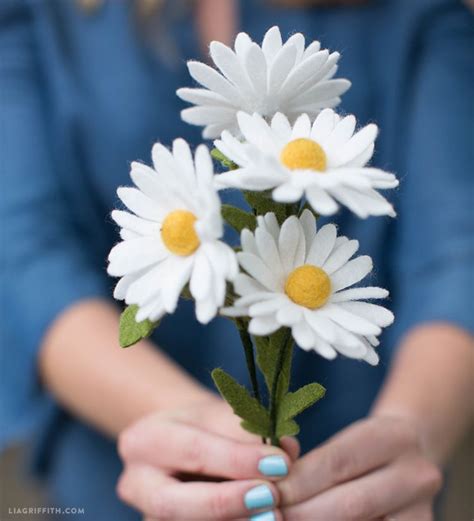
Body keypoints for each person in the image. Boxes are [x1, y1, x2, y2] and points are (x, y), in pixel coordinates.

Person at [1, 0, 472, 519]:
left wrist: (412, 430)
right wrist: (199, 433)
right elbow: (25, 253)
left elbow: (457, 257)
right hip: (119, 475)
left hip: (361, 484)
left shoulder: (417, 16)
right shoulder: (41, 15)